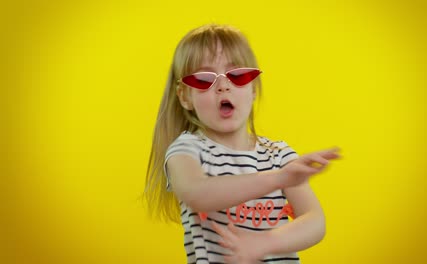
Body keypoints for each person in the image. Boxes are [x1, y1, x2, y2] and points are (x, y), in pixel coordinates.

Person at [144, 24, 340, 264]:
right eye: (205, 79)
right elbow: (196, 193)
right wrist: (279, 179)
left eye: (237, 75)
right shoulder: (187, 150)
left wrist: (265, 243)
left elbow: (315, 221)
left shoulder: (279, 155)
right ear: (185, 96)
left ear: (253, 88)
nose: (223, 85)